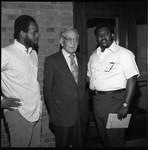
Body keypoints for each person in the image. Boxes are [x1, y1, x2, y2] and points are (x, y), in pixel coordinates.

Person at [87, 23, 140, 147]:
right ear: (97, 38)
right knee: (103, 137)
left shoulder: (123, 53)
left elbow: (132, 79)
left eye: (105, 34)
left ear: (112, 35)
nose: (102, 37)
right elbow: (89, 76)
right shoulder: (94, 55)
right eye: (99, 35)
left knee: (115, 139)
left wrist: (125, 105)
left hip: (115, 101)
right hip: (97, 101)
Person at [1, 15, 42, 147]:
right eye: (34, 32)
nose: (37, 36)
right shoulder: (6, 53)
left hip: (36, 112)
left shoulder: (33, 54)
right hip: (19, 114)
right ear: (22, 34)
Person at [43, 28, 89, 147]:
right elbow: (47, 91)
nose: (73, 42)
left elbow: (85, 86)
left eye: (76, 39)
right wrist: (54, 113)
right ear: (61, 41)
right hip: (61, 114)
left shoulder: (84, 59)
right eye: (69, 39)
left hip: (81, 113)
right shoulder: (51, 60)